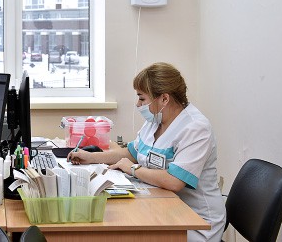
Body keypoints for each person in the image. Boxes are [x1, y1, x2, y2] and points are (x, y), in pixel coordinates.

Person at [68, 62, 226, 241]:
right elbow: (131, 153)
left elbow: (175, 182)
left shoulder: (195, 128)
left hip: (195, 220)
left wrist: (133, 169)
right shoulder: (156, 120)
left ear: (164, 99)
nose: (138, 104)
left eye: (142, 98)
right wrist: (91, 157)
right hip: (164, 206)